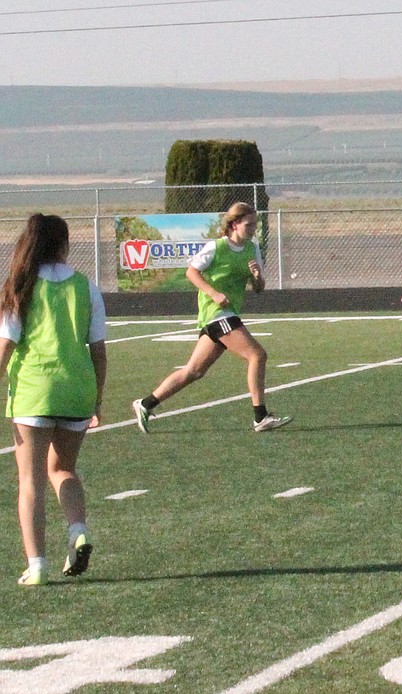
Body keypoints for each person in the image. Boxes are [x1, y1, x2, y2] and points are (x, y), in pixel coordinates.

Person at [0, 214, 106, 586]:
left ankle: (37, 565)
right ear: (63, 244)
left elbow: (6, 348)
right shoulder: (86, 286)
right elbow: (99, 351)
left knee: (30, 481)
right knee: (63, 469)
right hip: (77, 388)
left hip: (34, 391)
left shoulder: (21, 285)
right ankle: (78, 529)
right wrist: (96, 399)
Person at [132, 202, 291, 433]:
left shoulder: (252, 249)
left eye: (255, 224)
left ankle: (145, 404)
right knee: (257, 355)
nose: (253, 228)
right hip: (216, 313)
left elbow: (258, 288)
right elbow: (191, 272)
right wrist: (214, 294)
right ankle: (260, 416)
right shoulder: (216, 247)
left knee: (194, 371)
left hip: (228, 313)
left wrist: (257, 276)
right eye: (248, 224)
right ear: (234, 224)